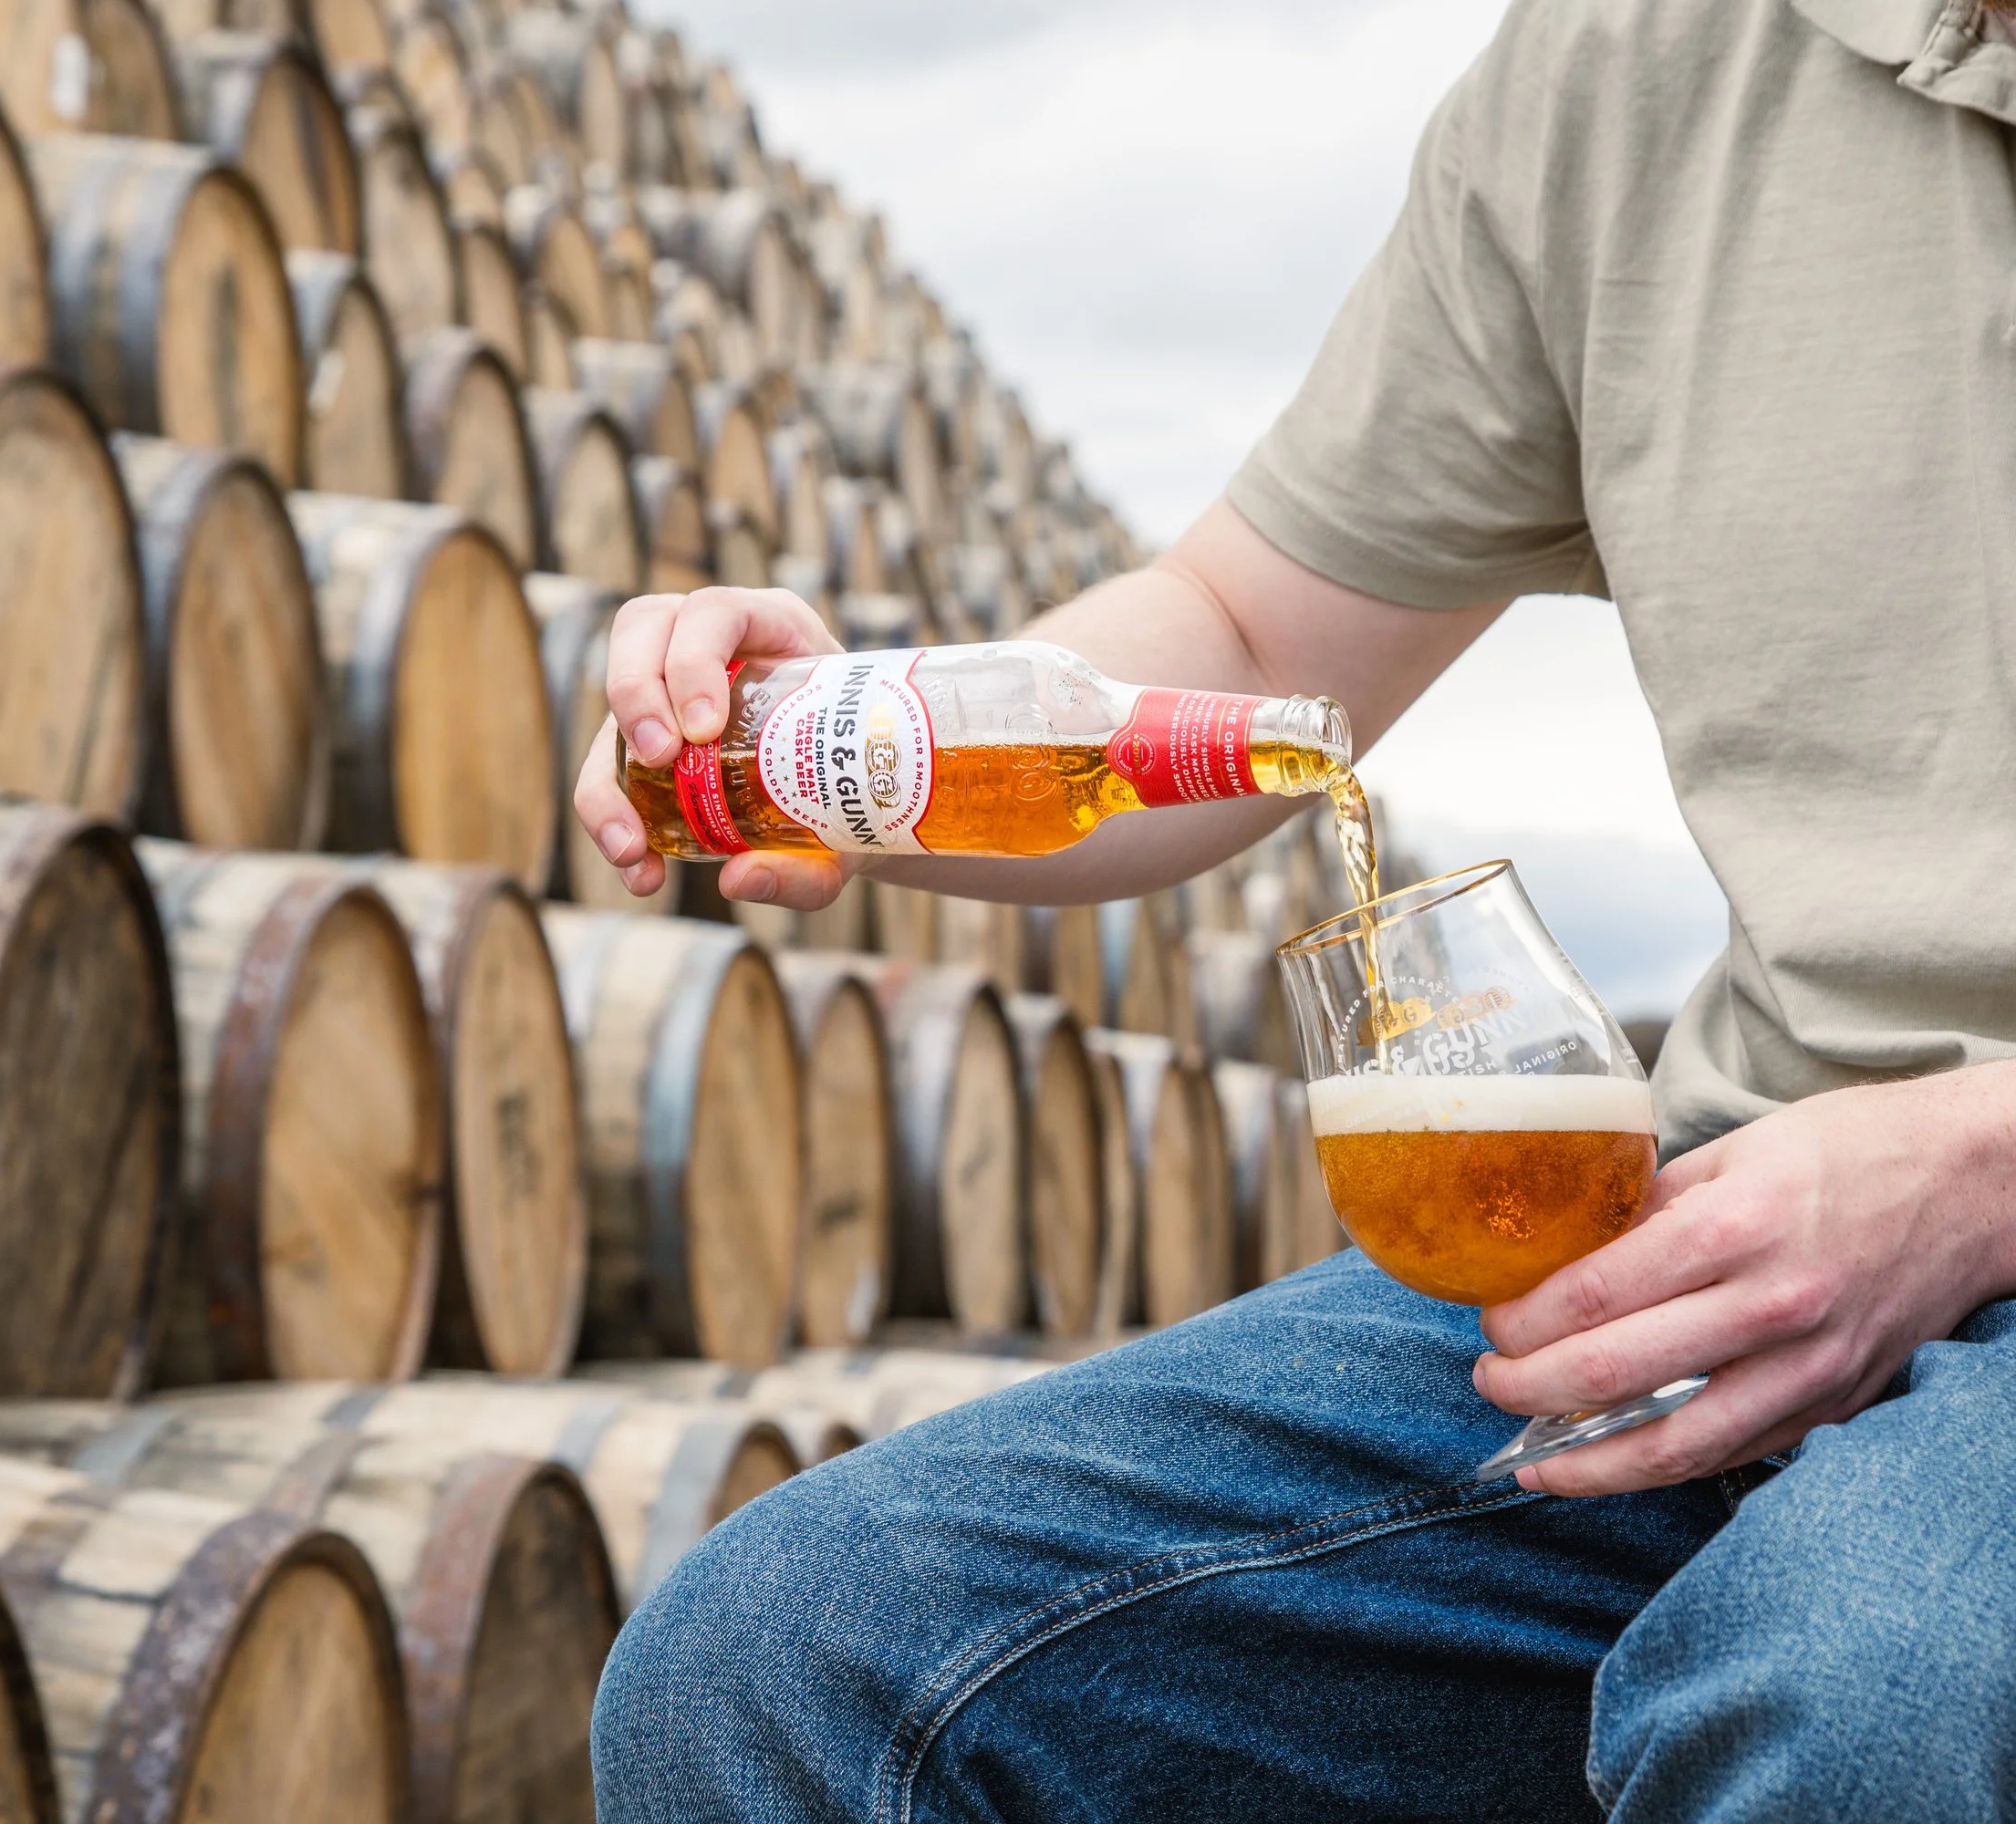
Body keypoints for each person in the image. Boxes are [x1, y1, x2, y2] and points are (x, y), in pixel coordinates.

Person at [577, 0, 2016, 1814]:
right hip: (1728, 1222)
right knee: (794, 1658)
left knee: (1852, 1698)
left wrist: (1974, 1162)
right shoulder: (1641, 60)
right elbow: (1246, 641)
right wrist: (860, 743)